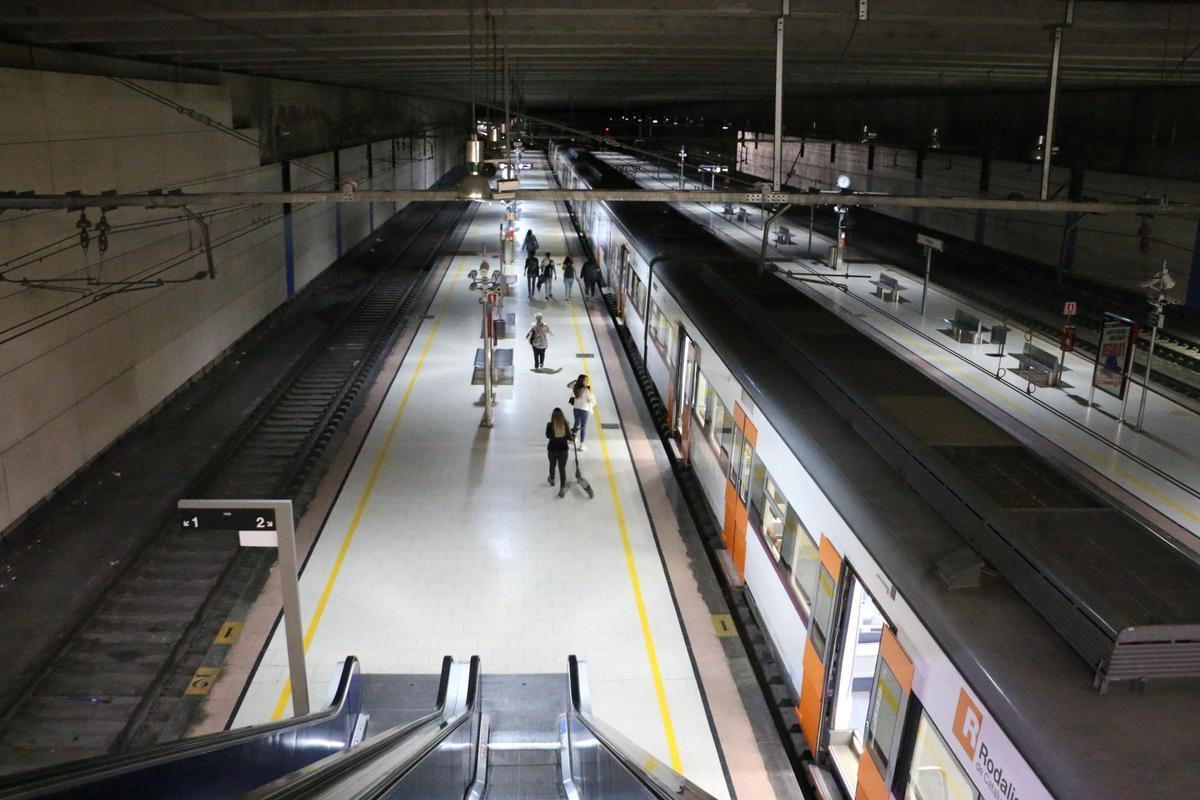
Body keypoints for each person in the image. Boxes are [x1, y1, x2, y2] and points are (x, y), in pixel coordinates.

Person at [545, 408, 574, 497]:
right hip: (563, 451)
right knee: (562, 469)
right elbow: (570, 438)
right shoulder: (565, 425)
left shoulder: (550, 425)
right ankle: (562, 489)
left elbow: (547, 435)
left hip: (552, 450)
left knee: (552, 464)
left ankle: (552, 480)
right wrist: (573, 436)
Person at [567, 374, 597, 450]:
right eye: (585, 380)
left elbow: (568, 385)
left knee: (576, 423)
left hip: (576, 408)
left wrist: (574, 381)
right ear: (582, 381)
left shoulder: (575, 387)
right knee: (583, 427)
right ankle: (582, 445)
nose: (587, 382)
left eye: (587, 380)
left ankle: (573, 439)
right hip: (584, 410)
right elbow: (589, 400)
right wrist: (591, 395)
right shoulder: (586, 390)